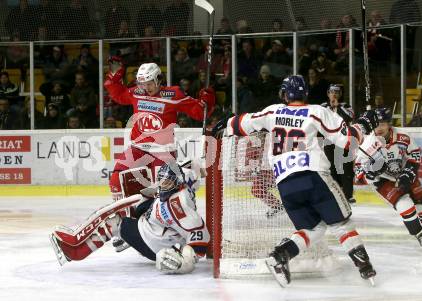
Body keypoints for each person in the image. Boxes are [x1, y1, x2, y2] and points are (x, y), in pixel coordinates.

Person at [212, 75, 378, 287]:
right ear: (305, 93)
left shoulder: (272, 111)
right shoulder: (316, 111)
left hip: (285, 184)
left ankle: (280, 255)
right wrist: (364, 124)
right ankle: (364, 266)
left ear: (284, 94)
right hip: (313, 176)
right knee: (340, 223)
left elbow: (242, 122)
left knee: (313, 229)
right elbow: (347, 140)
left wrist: (224, 125)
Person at [50, 162, 210, 275]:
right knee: (138, 205)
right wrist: (204, 169)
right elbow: (194, 169)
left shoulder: (178, 206)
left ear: (177, 183)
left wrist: (186, 260)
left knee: (115, 222)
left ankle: (75, 253)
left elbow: (200, 235)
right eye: (161, 181)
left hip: (153, 243)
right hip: (157, 225)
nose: (162, 186)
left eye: (167, 183)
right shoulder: (185, 179)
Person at [104, 57, 215, 202]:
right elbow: (118, 95)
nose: (145, 88)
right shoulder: (137, 93)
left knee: (163, 190)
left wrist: (207, 100)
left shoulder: (173, 95)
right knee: (116, 179)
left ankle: (161, 217)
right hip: (138, 147)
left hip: (163, 151)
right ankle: (123, 214)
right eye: (142, 84)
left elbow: (199, 113)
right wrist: (115, 77)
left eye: (149, 83)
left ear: (158, 79)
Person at [355, 108, 422, 251]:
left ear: (389, 124)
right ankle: (420, 235)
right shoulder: (367, 143)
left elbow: (415, 154)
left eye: (382, 124)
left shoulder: (403, 136)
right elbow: (358, 170)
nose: (379, 128)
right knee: (404, 204)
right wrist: (370, 173)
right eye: (376, 124)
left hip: (402, 173)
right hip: (382, 180)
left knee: (421, 201)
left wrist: (408, 172)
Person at [321, 84, 356, 204]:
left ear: (340, 94)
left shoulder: (346, 106)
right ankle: (336, 193)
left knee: (346, 167)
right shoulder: (323, 107)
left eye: (336, 92)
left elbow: (350, 117)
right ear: (328, 93)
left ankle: (348, 195)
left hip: (344, 140)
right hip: (328, 140)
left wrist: (337, 107)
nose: (334, 94)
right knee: (331, 167)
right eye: (331, 92)